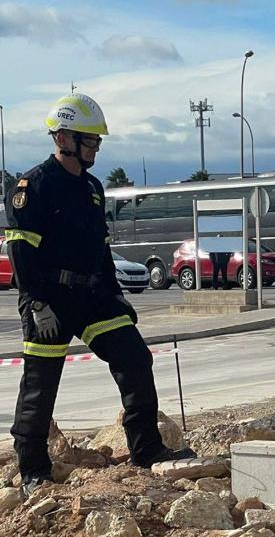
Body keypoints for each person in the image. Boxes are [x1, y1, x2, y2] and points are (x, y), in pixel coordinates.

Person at [5, 94, 196, 494]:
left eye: (97, 142)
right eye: (88, 140)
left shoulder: (92, 188)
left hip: (92, 297)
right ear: (63, 138)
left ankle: (147, 451)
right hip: (48, 300)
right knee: (41, 383)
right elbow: (21, 252)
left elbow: (99, 248)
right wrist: (36, 302)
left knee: (135, 358)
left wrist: (116, 295)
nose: (94, 148)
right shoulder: (31, 187)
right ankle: (34, 471)